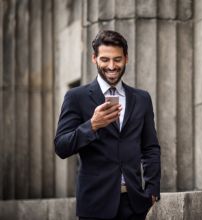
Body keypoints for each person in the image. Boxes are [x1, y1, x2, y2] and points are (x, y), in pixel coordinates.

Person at [54, 30, 161, 220]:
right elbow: (61, 146)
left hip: (134, 204)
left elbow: (150, 147)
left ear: (126, 59)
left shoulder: (142, 98)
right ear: (94, 58)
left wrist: (152, 189)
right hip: (94, 205)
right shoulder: (76, 97)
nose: (111, 66)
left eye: (117, 59)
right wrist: (92, 125)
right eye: (105, 59)